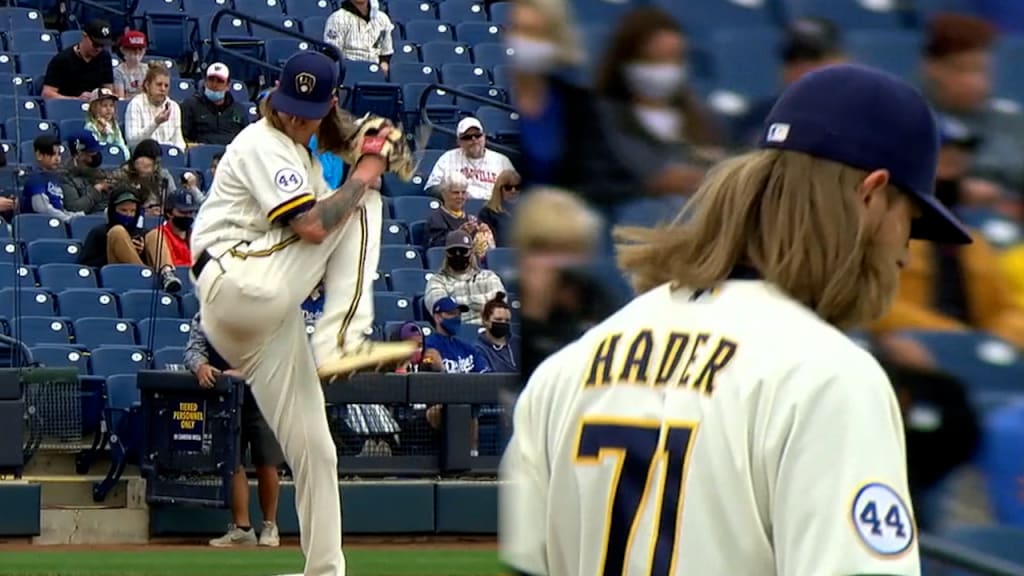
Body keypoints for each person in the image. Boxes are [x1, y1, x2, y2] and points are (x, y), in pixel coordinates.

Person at [500, 64, 973, 576]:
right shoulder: (829, 377)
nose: (906, 250)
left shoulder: (571, 367)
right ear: (871, 194)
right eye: (910, 220)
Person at [189, 51, 416, 576]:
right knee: (365, 201)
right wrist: (369, 165)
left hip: (262, 316)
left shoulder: (304, 150)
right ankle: (342, 334)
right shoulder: (261, 142)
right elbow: (314, 228)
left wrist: (369, 137)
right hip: (237, 278)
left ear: (329, 103)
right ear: (276, 96)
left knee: (317, 449)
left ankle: (325, 569)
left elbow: (334, 139)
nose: (296, 116)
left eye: (308, 109)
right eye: (291, 105)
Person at [594, 6, 722, 198]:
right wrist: (649, 185)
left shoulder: (706, 120)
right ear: (625, 60)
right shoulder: (601, 119)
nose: (665, 68)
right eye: (653, 59)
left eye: (674, 58)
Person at [184, 312, 283, 549]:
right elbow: (192, 350)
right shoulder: (206, 314)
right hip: (226, 399)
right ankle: (242, 529)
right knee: (233, 462)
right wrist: (201, 366)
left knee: (267, 461)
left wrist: (246, 372)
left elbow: (275, 355)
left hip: (262, 397)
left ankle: (270, 526)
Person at [78, 184, 181, 293]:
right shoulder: (99, 232)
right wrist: (120, 249)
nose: (129, 214)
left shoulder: (142, 233)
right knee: (118, 231)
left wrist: (140, 252)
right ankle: (142, 274)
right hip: (117, 275)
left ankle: (167, 274)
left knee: (155, 234)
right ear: (113, 210)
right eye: (123, 210)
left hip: (149, 276)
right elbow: (86, 265)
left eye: (132, 211)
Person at [424, 230, 506, 325]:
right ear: (446, 254)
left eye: (463, 251)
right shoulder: (437, 280)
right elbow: (442, 312)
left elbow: (499, 309)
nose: (458, 254)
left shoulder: (489, 277)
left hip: (488, 331)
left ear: (471, 252)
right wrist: (482, 306)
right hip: (457, 333)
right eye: (453, 251)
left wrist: (459, 306)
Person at [424, 117, 515, 200]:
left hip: (492, 210)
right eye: (467, 137)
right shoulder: (447, 158)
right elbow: (431, 188)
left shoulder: (502, 160)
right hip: (459, 209)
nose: (474, 140)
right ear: (459, 141)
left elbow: (516, 192)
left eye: (477, 135)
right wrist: (450, 191)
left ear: (484, 137)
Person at [41, 19, 114, 100]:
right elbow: (47, 94)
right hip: (68, 106)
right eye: (96, 44)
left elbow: (108, 89)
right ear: (84, 36)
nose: (99, 49)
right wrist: (76, 99)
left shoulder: (104, 57)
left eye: (102, 45)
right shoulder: (62, 60)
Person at [181, 62, 249, 146]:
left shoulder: (238, 109)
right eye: (211, 79)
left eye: (220, 81)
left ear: (228, 85)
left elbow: (246, 138)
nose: (214, 85)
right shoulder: (190, 105)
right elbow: (182, 136)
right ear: (205, 82)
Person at [124, 62, 186, 150]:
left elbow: (179, 141)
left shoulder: (174, 107)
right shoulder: (136, 104)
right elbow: (132, 142)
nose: (163, 89)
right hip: (143, 155)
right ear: (147, 85)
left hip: (167, 156)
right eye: (159, 84)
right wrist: (156, 123)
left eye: (166, 86)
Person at [21, 135, 82, 222]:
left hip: (57, 221)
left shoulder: (55, 177)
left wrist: (75, 216)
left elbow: (59, 208)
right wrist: (67, 219)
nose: (57, 159)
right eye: (52, 154)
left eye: (59, 154)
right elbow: (42, 208)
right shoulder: (35, 178)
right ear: (39, 155)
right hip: (40, 223)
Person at [323, 0, 395, 73]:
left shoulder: (383, 18)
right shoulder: (337, 18)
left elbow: (385, 53)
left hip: (374, 70)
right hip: (349, 70)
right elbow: (333, 54)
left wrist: (384, 64)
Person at [61, 130, 110, 215]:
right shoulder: (66, 176)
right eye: (91, 153)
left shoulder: (96, 171)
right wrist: (96, 190)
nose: (95, 157)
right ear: (79, 153)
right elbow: (74, 208)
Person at [475, 292, 518, 373]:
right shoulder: (478, 350)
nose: (503, 323)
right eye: (498, 319)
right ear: (485, 320)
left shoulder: (518, 344)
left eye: (507, 321)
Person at [85, 87, 130, 160]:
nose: (109, 109)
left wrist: (125, 157)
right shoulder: (90, 126)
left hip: (115, 158)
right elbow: (95, 149)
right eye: (104, 105)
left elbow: (120, 143)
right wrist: (104, 133)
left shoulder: (114, 125)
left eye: (111, 105)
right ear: (94, 107)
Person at [478, 169, 519, 247]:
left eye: (517, 187)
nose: (513, 191)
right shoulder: (487, 213)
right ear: (499, 190)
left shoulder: (526, 212)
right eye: (508, 187)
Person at [113, 30, 148, 99]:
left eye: (140, 49)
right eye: (133, 48)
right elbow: (120, 99)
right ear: (123, 50)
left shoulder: (148, 69)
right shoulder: (118, 72)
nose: (137, 52)